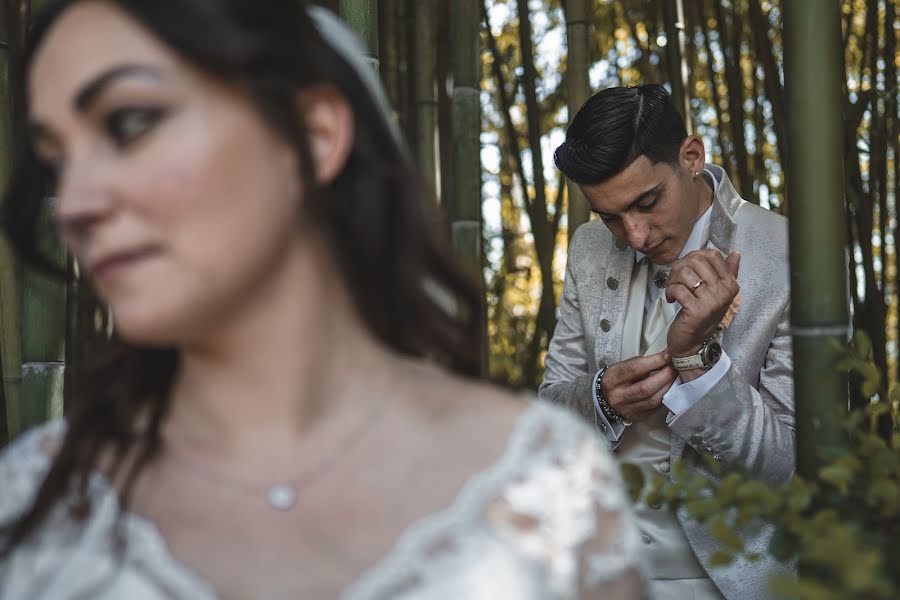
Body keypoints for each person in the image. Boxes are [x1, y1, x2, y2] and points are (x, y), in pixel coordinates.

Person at [0, 2, 645, 598]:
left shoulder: (543, 485)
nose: (76, 205)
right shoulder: (37, 500)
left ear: (312, 137)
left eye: (130, 122)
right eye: (56, 161)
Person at [540, 84, 795, 599]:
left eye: (647, 202)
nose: (634, 236)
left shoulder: (788, 253)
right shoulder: (590, 250)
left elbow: (791, 467)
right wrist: (602, 401)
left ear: (691, 157)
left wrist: (700, 366)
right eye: (610, 216)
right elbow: (547, 415)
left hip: (732, 578)